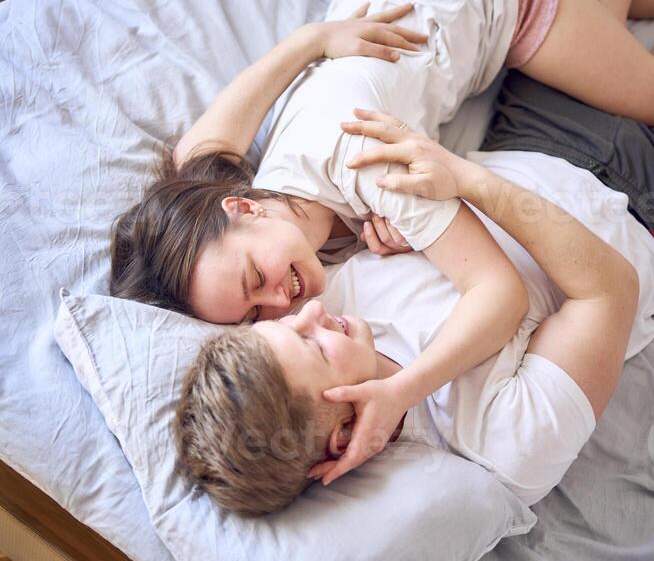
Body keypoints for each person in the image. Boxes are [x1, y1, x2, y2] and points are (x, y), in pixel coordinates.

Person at [113, 0, 654, 459]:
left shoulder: (369, 165)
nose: (283, 304)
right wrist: (309, 44)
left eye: (254, 282)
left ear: (243, 207)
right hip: (397, 4)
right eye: (251, 315)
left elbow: (498, 294)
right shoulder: (242, 205)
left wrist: (400, 389)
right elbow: (196, 157)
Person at [173, 93, 654, 516]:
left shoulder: (319, 307)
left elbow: (197, 173)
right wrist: (466, 181)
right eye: (314, 347)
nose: (312, 314)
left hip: (518, 138)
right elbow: (610, 290)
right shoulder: (504, 444)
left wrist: (414, 237)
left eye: (283, 326)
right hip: (629, 190)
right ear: (341, 436)